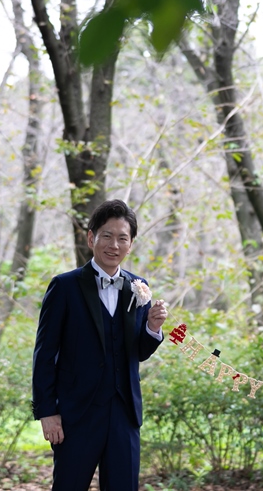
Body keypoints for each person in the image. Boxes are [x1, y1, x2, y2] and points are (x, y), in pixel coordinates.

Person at [32, 200, 169, 491]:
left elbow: (138, 351)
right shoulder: (64, 287)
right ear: (91, 237)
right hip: (76, 414)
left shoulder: (138, 286)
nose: (114, 244)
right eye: (107, 236)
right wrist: (47, 411)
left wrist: (152, 328)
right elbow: (45, 353)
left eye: (122, 238)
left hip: (124, 414)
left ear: (131, 244)